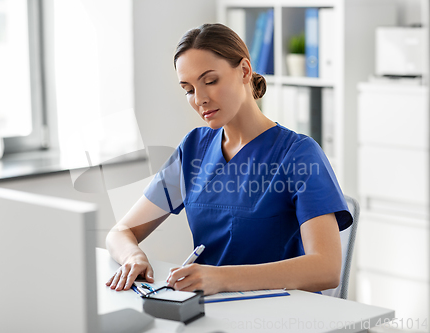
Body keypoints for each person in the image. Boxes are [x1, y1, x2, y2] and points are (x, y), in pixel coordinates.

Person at [106, 23, 352, 296]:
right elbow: (120, 232)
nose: (200, 99)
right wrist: (133, 257)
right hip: (210, 312)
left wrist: (221, 278)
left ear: (244, 71)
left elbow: (326, 268)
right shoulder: (194, 149)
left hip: (280, 314)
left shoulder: (298, 154)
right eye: (188, 89)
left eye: (210, 81)